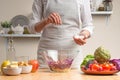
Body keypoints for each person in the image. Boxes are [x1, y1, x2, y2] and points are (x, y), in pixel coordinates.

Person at [28, 0, 94, 69]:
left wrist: (82, 35)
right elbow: (31, 28)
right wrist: (45, 21)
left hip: (73, 55)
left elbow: (88, 25)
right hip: (47, 55)